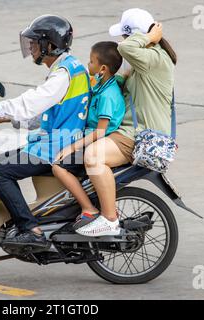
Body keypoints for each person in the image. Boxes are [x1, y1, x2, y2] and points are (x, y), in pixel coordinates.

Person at [0, 15, 91, 247]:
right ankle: (17, 218)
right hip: (56, 142)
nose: (31, 47)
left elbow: (33, 102)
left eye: (35, 42)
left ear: (50, 45)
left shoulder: (63, 74)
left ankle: (31, 229)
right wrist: (2, 117)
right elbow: (44, 112)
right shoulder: (68, 67)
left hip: (60, 147)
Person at [75, 8, 177, 237]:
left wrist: (150, 36)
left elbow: (124, 48)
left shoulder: (153, 57)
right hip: (129, 131)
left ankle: (109, 218)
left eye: (125, 35)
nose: (121, 40)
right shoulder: (147, 60)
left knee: (93, 156)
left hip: (137, 135)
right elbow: (122, 79)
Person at [52, 41, 125, 235]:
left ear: (102, 68)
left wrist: (72, 147)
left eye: (91, 61)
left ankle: (89, 209)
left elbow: (99, 132)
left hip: (98, 139)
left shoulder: (108, 95)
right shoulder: (102, 83)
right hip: (85, 134)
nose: (88, 65)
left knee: (57, 166)